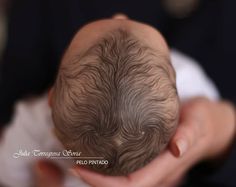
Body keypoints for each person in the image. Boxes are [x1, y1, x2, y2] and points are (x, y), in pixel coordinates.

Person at [0, 16, 221, 187]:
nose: (119, 17)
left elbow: (9, 169)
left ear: (51, 97)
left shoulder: (33, 123)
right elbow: (209, 98)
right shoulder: (186, 78)